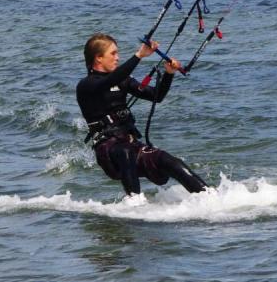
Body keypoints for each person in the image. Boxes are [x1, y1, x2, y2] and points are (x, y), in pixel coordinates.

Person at [76, 33, 208, 196]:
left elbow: (155, 96)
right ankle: (134, 204)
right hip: (108, 150)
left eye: (117, 53)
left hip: (132, 144)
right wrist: (139, 55)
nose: (118, 58)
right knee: (125, 152)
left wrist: (168, 74)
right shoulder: (87, 85)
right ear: (98, 58)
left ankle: (210, 196)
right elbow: (108, 82)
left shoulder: (122, 80)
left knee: (171, 162)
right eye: (113, 53)